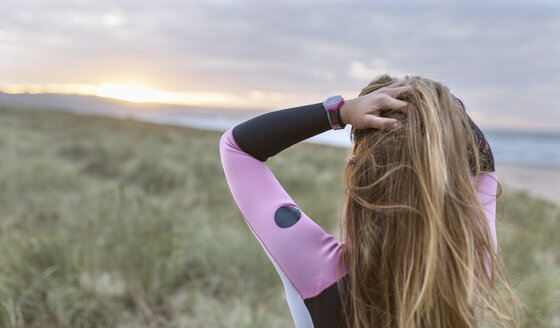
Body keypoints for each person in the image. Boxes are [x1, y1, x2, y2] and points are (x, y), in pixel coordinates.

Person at [220, 75, 520, 328]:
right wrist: (444, 108)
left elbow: (237, 148)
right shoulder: (465, 269)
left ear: (358, 174)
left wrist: (338, 112)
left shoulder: (318, 274)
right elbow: (484, 168)